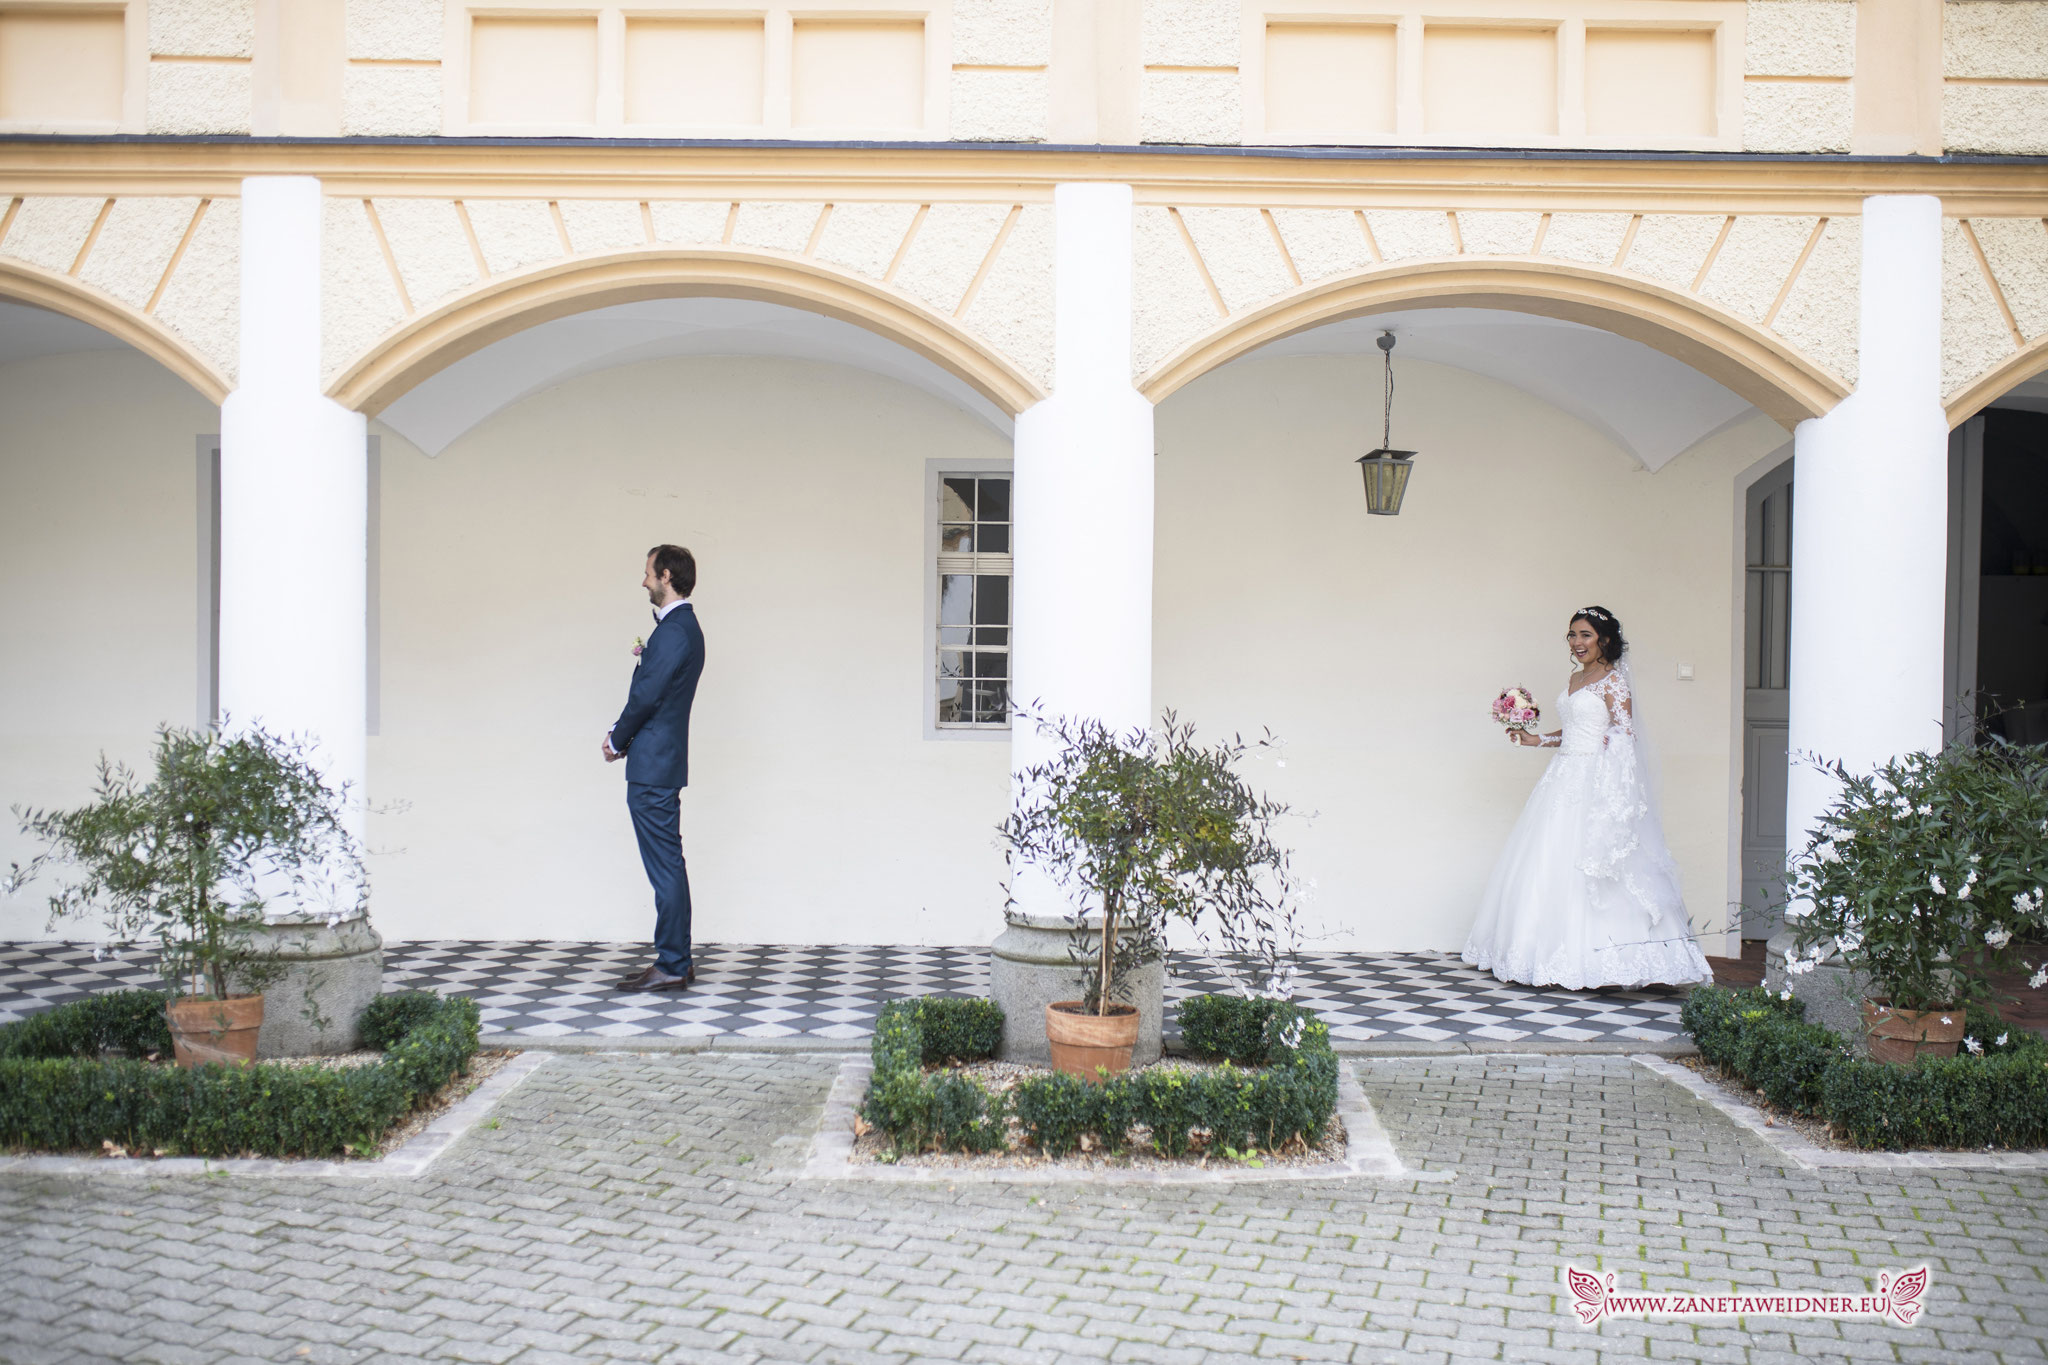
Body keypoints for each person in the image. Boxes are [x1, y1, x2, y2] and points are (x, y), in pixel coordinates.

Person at [1462, 606, 1710, 990]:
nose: (1577, 643)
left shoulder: (1613, 682)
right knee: (1547, 860)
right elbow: (1576, 729)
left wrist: (1611, 763)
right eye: (1572, 635)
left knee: (1591, 862)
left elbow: (1626, 736)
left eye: (1585, 635)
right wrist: (1536, 739)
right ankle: (1536, 953)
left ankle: (1606, 962)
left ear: (1604, 640)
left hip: (1596, 782)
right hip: (1562, 777)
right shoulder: (1576, 678)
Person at [605, 545, 706, 993]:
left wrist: (615, 738)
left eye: (647, 573)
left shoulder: (676, 632)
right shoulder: (679, 630)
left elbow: (647, 696)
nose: (643, 581)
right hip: (661, 762)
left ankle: (672, 963)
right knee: (668, 863)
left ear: (666, 575)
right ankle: (676, 960)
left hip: (653, 765)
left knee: (665, 865)